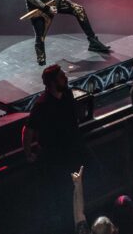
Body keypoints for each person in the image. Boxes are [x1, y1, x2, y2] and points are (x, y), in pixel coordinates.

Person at [23, 65, 85, 232]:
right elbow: (28, 130)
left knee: (77, 193)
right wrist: (28, 153)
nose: (65, 79)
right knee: (63, 197)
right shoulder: (42, 105)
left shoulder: (67, 94)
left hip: (72, 152)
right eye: (61, 77)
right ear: (51, 83)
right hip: (56, 159)